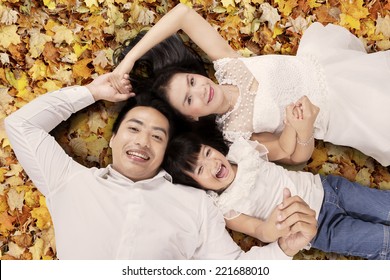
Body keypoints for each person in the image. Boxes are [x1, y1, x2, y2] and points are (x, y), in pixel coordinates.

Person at [4, 73, 317, 259]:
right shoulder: (69, 182)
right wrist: (93, 92)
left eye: (157, 136)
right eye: (134, 129)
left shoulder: (196, 205)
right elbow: (21, 126)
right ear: (112, 140)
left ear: (165, 152)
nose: (143, 142)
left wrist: (283, 249)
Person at [110, 3, 390, 166]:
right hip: (342, 115)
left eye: (192, 81)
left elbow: (183, 13)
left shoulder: (230, 66)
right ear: (192, 116)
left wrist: (129, 61)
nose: (200, 90)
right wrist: (299, 128)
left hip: (340, 70)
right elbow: (291, 155)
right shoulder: (236, 133)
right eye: (189, 99)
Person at [162, 129, 390, 260]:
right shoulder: (225, 208)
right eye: (200, 170)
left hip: (331, 190)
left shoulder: (242, 152)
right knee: (382, 241)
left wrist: (293, 125)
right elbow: (259, 231)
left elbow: (283, 147)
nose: (212, 164)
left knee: (385, 207)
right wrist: (274, 226)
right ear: (197, 185)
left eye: (208, 153)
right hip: (321, 230)